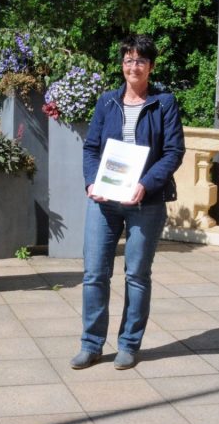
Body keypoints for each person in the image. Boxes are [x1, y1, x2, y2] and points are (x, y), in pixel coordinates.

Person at [71, 34, 185, 370]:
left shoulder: (164, 102)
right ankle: (91, 344)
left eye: (140, 61)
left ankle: (129, 344)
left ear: (150, 66)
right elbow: (92, 148)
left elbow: (174, 152)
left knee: (136, 275)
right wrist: (92, 182)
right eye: (128, 60)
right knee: (94, 274)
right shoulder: (107, 101)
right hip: (105, 202)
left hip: (144, 203)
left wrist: (146, 185)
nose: (133, 66)